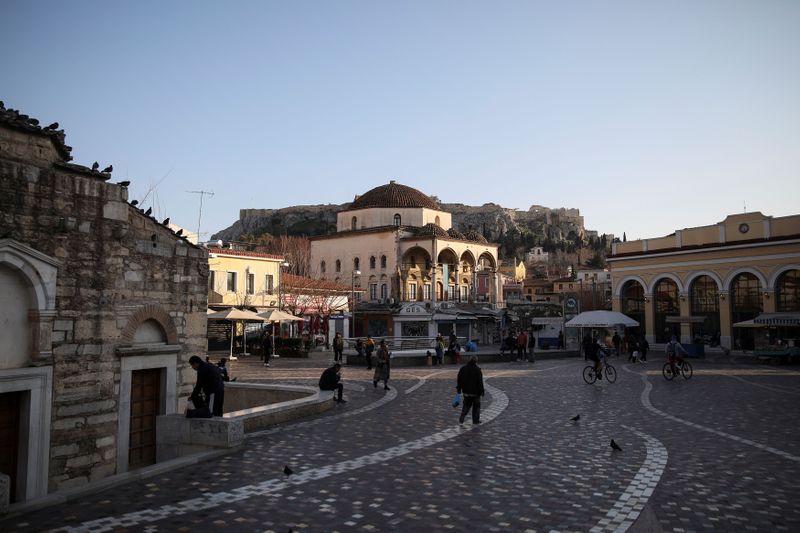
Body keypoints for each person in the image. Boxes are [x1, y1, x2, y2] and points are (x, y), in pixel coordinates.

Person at [456, 355, 485, 424]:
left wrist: (459, 388)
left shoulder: (463, 368)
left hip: (466, 391)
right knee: (476, 407)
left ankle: (462, 416)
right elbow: (480, 382)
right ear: (476, 361)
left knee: (466, 405)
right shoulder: (478, 370)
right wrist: (482, 391)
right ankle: (475, 420)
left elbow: (459, 380)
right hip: (475, 392)